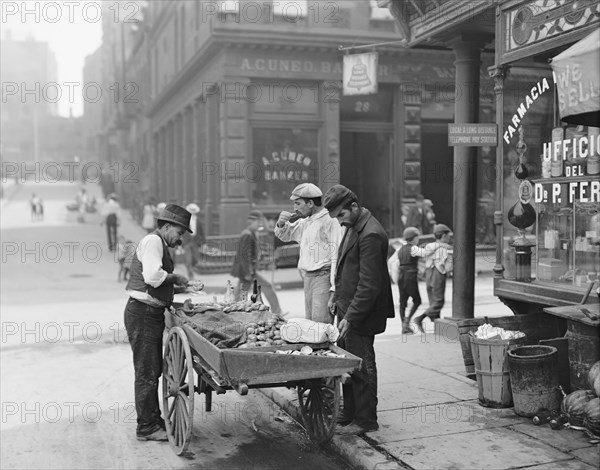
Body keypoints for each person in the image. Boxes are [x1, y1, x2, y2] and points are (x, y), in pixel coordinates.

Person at [323, 184, 394, 435]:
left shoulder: (371, 234)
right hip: (348, 308)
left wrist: (351, 316)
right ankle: (350, 412)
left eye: (341, 215)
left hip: (360, 314)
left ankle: (365, 420)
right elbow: (346, 266)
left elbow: (369, 285)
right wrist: (336, 295)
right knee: (347, 363)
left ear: (354, 206)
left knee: (362, 365)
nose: (340, 221)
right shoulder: (354, 225)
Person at [124, 204, 191, 442]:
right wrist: (176, 278)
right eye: (179, 233)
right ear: (167, 226)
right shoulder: (153, 242)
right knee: (146, 372)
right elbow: (152, 277)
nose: (180, 239)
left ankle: (153, 419)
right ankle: (146, 427)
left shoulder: (159, 243)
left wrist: (178, 286)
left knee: (151, 370)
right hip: (142, 313)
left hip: (148, 313)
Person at [274, 183, 342, 324]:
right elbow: (286, 234)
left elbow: (337, 256)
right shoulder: (306, 222)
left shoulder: (330, 221)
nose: (295, 208)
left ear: (310, 203)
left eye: (298, 203)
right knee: (310, 325)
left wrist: (334, 289)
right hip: (308, 278)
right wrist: (281, 223)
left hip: (323, 277)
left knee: (320, 326)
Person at [230, 210, 283, 314]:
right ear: (251, 222)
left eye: (260, 222)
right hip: (247, 270)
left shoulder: (252, 233)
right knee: (265, 287)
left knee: (240, 292)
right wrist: (248, 272)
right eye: (257, 222)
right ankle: (277, 311)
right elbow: (244, 255)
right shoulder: (247, 235)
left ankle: (232, 310)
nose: (259, 224)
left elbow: (252, 251)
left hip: (248, 270)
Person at [413, 224, 453, 333]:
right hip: (437, 275)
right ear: (444, 236)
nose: (449, 238)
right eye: (448, 236)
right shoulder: (444, 248)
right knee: (439, 302)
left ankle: (437, 327)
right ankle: (419, 318)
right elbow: (447, 267)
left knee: (433, 302)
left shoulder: (429, 246)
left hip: (428, 275)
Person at [396, 227, 435, 334]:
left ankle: (404, 326)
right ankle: (407, 321)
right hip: (410, 277)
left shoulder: (400, 249)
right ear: (414, 238)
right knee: (417, 301)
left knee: (402, 302)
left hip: (400, 277)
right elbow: (425, 253)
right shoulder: (413, 248)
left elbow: (393, 263)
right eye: (417, 237)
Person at [181, 203, 206, 279]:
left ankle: (193, 268)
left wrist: (204, 242)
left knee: (196, 259)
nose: (192, 212)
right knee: (188, 260)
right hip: (187, 242)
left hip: (195, 242)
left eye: (193, 211)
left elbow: (202, 232)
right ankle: (190, 275)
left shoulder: (198, 220)